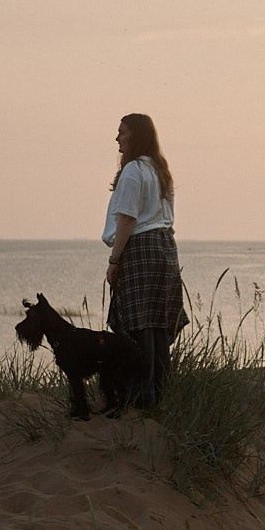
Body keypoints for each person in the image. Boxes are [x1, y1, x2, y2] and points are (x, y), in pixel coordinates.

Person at [103, 113, 189, 408]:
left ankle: (141, 400)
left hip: (140, 247)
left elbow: (127, 219)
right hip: (165, 248)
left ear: (135, 136)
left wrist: (114, 261)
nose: (117, 138)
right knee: (158, 326)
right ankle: (159, 397)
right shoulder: (160, 170)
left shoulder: (133, 172)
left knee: (140, 327)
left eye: (122, 132)